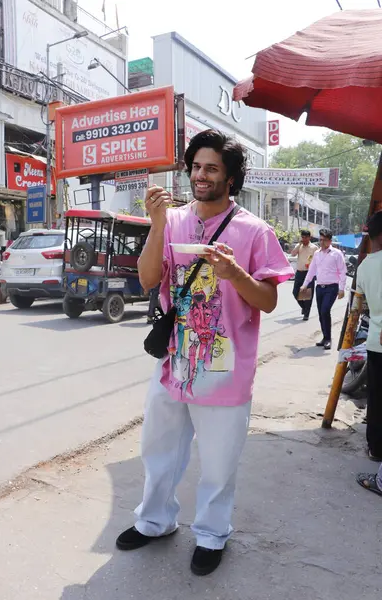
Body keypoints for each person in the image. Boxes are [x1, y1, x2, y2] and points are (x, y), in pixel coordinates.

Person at [115, 129, 293, 576]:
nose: (200, 175)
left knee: (218, 461)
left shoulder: (255, 231)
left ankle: (212, 534)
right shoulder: (172, 220)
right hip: (174, 362)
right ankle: (155, 521)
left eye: (211, 168)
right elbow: (149, 279)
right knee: (158, 449)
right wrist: (157, 224)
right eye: (196, 166)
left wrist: (234, 273)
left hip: (226, 369)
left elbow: (268, 301)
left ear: (230, 178)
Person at [353, 212, 382, 493]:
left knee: (377, 398)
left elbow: (359, 305)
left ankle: (375, 449)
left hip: (375, 342)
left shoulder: (363, 267)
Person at [300, 228, 346, 350]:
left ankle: (328, 338)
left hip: (332, 288)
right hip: (319, 287)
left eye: (324, 240)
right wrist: (305, 284)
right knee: (321, 313)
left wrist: (341, 289)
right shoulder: (317, 254)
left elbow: (342, 271)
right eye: (320, 240)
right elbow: (311, 271)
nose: (321, 242)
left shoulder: (336, 254)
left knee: (325, 311)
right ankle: (325, 337)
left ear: (330, 241)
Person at [290, 229, 318, 320]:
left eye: (305, 237)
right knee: (295, 292)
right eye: (302, 237)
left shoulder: (314, 248)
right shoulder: (299, 246)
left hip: (309, 273)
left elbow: (318, 260)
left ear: (309, 238)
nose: (304, 239)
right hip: (299, 272)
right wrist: (298, 245)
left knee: (308, 294)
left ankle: (306, 313)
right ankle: (304, 307)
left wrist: (312, 265)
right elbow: (293, 254)